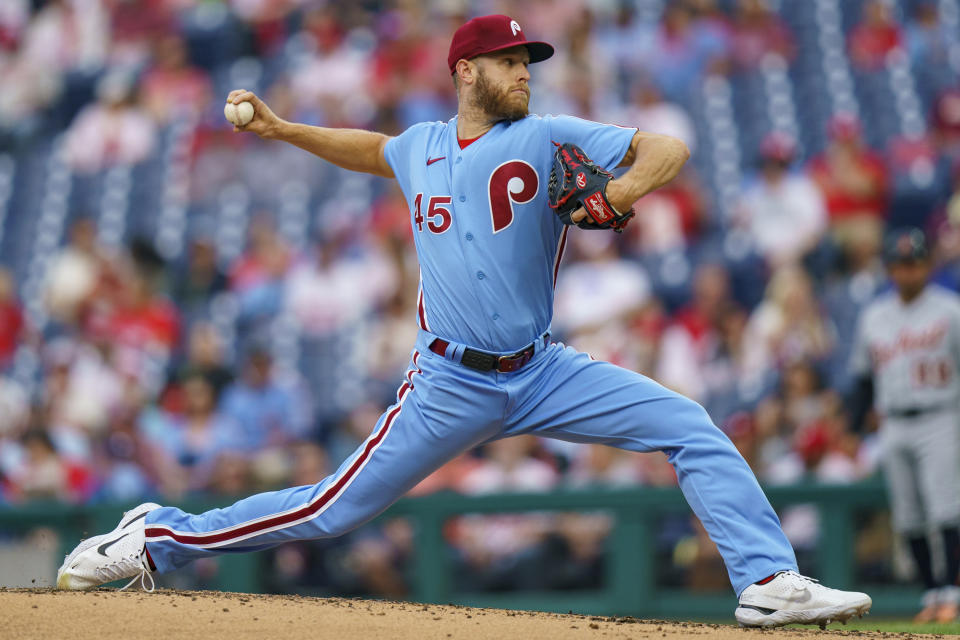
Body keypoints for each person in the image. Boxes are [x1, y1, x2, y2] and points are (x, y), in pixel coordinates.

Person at [56, 14, 870, 627]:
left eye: (528, 61)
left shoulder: (548, 134)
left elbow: (666, 149)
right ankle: (155, 534)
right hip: (448, 380)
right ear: (466, 69)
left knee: (689, 424)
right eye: (510, 61)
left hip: (544, 369)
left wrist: (616, 196)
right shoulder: (421, 145)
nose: (524, 72)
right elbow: (368, 147)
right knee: (331, 510)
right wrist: (281, 127)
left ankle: (766, 582)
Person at [848, 228, 960, 623]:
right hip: (893, 421)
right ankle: (932, 593)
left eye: (914, 263)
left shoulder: (950, 310)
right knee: (909, 516)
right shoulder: (875, 315)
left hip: (941, 413)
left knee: (945, 508)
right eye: (900, 264)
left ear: (927, 265)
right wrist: (855, 424)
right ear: (890, 269)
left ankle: (951, 592)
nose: (907, 272)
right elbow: (863, 378)